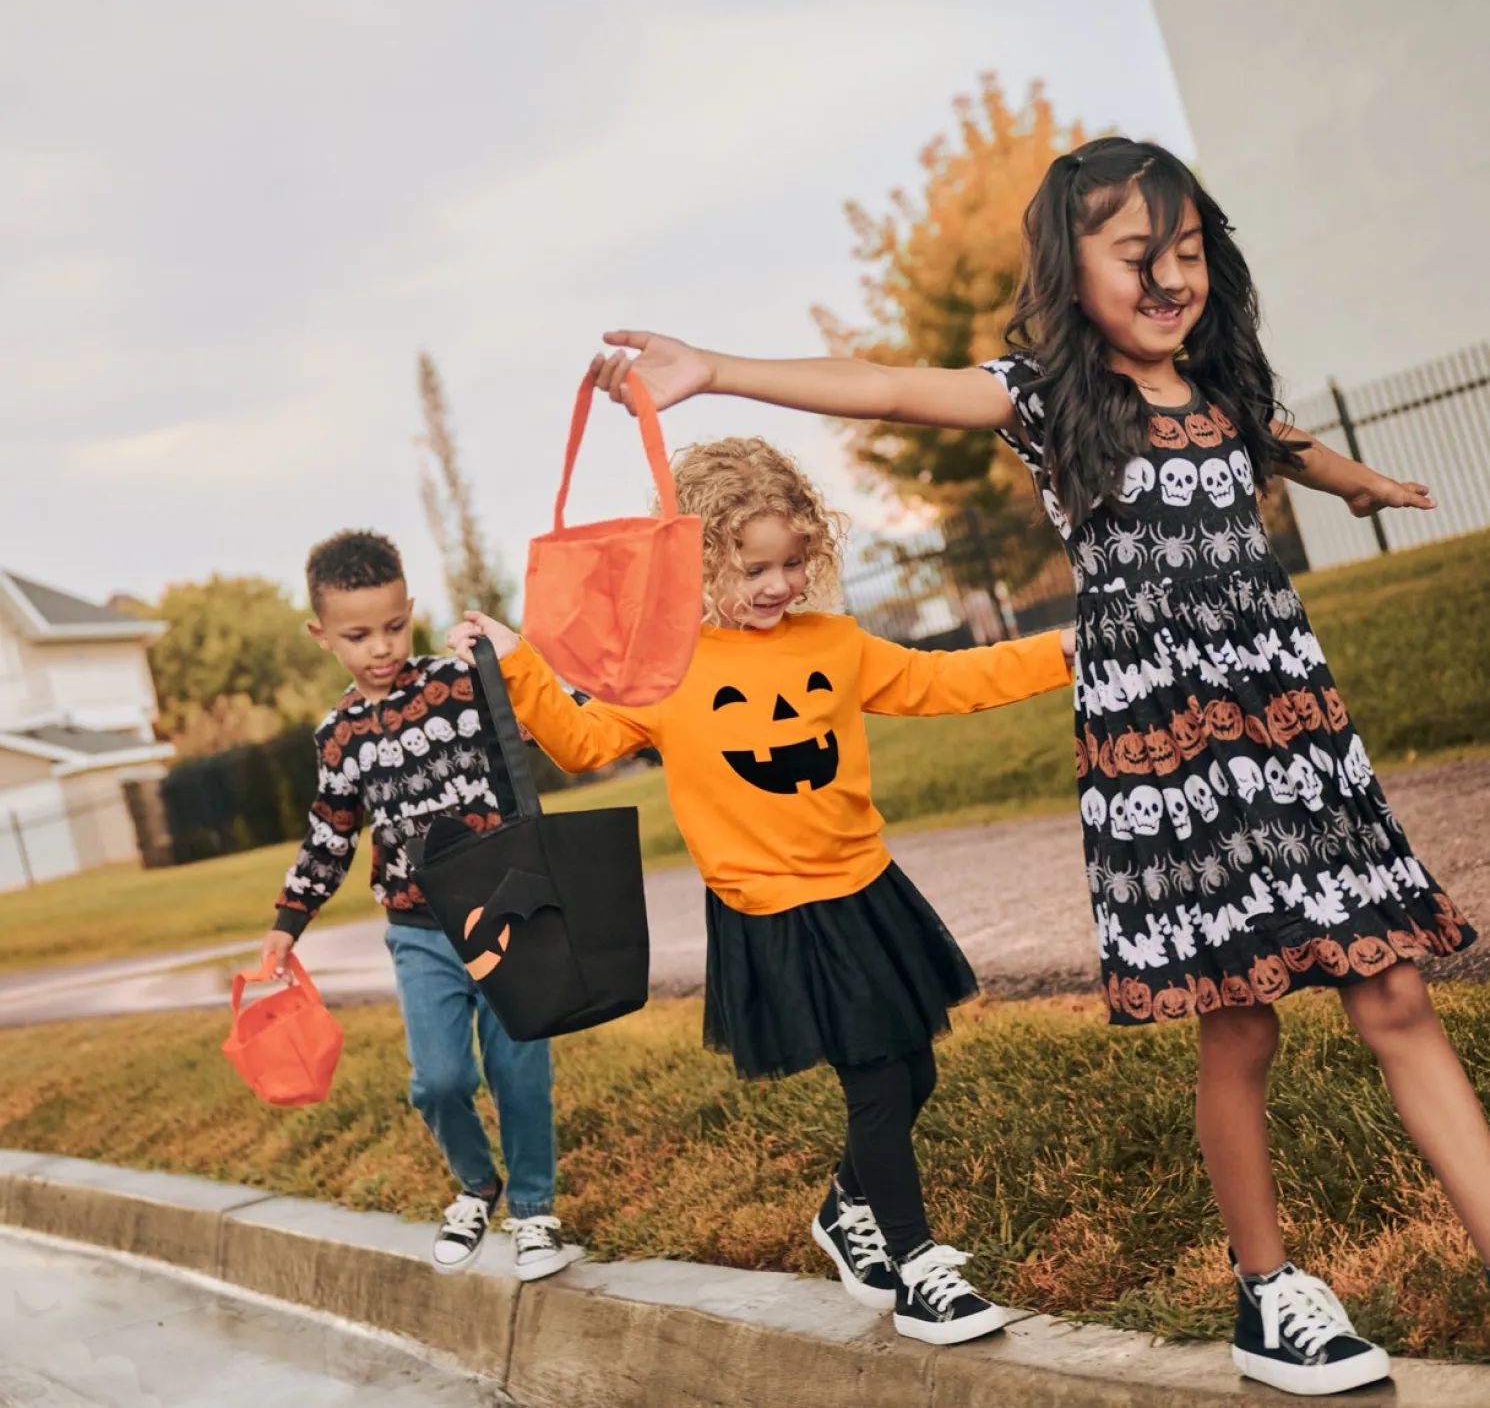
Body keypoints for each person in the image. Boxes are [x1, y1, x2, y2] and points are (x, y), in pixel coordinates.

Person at [584, 136, 1490, 1397]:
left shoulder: (1221, 390)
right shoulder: (1045, 399)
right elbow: (893, 389)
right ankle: (1266, 1292)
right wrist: (718, 369)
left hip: (1289, 728)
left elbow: (1278, 443)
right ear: (1071, 274)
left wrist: (1354, 479)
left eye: (1187, 251)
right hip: (1164, 742)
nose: (1170, 275)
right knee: (1237, 1023)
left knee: (1391, 992)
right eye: (1137, 256)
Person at [449, 434, 1076, 1346]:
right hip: (773, 907)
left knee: (913, 1067)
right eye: (752, 568)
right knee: (873, 1077)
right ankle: (917, 1267)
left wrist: (1058, 650)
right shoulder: (668, 669)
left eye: (792, 563)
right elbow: (582, 742)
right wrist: (517, 662)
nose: (777, 585)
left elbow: (944, 679)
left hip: (864, 885)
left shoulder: (834, 641)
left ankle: (846, 1206)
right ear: (700, 565)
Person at [259, 529, 575, 1281]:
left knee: (520, 1071)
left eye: (394, 626)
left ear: (411, 608)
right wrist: (285, 926)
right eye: (358, 634)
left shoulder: (461, 685)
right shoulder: (338, 737)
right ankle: (478, 1183)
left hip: (507, 911)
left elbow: (548, 715)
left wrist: (511, 665)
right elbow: (329, 836)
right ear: (322, 635)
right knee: (439, 1080)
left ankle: (534, 1211)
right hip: (421, 932)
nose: (381, 647)